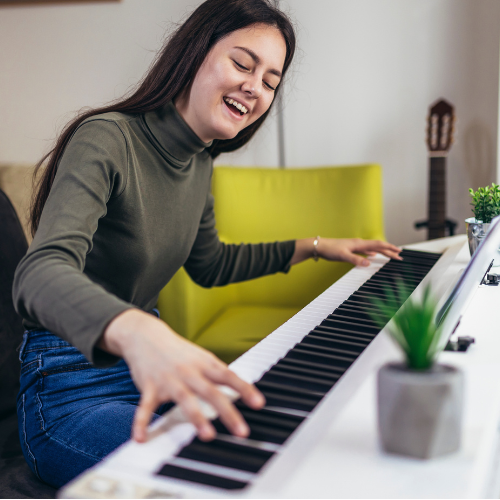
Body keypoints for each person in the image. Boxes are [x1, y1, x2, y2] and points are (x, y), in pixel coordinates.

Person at [13, 0, 401, 488]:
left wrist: (317, 246)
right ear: (193, 53)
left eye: (270, 81)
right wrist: (138, 331)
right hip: (69, 388)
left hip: (153, 372)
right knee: (216, 478)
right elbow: (39, 272)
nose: (254, 87)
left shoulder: (199, 163)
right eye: (243, 63)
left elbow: (211, 264)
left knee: (285, 441)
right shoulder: (106, 139)